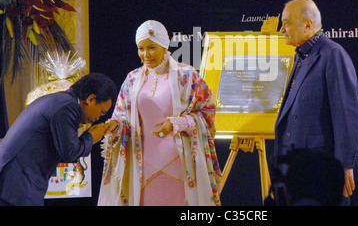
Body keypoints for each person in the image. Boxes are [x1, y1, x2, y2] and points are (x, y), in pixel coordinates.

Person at [97, 20, 221, 206]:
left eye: (151, 48)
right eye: (141, 48)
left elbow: (207, 113)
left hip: (179, 163)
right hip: (141, 166)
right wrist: (115, 125)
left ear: (165, 45)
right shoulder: (132, 79)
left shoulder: (186, 76)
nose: (145, 54)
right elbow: (122, 115)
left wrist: (176, 123)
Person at [273, 0, 358, 204]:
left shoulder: (333, 54)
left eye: (286, 23)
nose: (281, 30)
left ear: (308, 24)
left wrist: (345, 166)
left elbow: (347, 115)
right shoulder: (301, 56)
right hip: (299, 171)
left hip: (323, 173)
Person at [0, 73, 117, 206]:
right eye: (101, 111)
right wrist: (91, 137)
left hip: (13, 180)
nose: (98, 118)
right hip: (16, 182)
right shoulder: (68, 107)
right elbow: (70, 153)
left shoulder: (61, 100)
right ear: (91, 99)